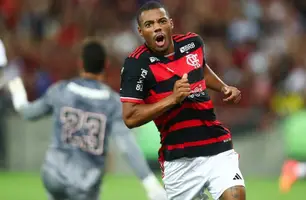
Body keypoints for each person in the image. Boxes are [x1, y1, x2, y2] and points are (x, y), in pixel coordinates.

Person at [8, 39, 167, 200]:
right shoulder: (112, 103)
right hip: (85, 182)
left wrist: (18, 96)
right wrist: (150, 184)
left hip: (54, 174)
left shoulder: (61, 90)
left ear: (80, 63)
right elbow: (127, 146)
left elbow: (29, 113)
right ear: (106, 65)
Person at [120, 1, 245, 200]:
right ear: (140, 31)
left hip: (216, 146)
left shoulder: (192, 44)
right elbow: (130, 117)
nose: (157, 27)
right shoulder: (136, 65)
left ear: (170, 23)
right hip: (179, 159)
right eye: (149, 24)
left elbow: (201, 69)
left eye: (161, 21)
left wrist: (223, 87)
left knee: (236, 195)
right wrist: (172, 99)